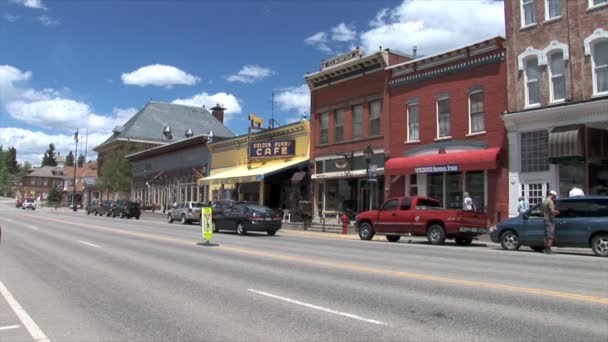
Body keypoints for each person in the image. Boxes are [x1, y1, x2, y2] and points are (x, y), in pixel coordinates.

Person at [541, 190, 560, 254]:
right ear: (552, 195)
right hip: (550, 219)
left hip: (545, 219)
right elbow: (552, 211)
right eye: (554, 197)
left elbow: (542, 211)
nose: (554, 198)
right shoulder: (550, 201)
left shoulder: (544, 201)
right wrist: (557, 212)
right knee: (550, 235)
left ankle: (545, 248)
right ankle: (548, 250)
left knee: (546, 235)